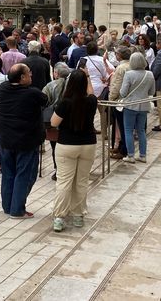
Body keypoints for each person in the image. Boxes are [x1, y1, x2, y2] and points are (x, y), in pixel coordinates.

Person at [49, 64, 97, 232]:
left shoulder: (65, 102)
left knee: (64, 182)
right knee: (82, 181)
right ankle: (78, 215)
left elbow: (54, 123)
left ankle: (59, 217)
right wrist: (88, 77)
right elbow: (91, 93)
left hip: (67, 144)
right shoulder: (91, 101)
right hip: (88, 144)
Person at [0, 64, 48, 218]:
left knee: (8, 173)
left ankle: (8, 206)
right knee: (24, 174)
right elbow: (45, 99)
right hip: (26, 141)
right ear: (22, 78)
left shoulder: (4, 88)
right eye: (29, 73)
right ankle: (17, 209)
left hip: (6, 139)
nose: (31, 75)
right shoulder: (32, 93)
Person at [119, 52, 155, 163]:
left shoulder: (129, 74)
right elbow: (152, 91)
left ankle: (130, 155)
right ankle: (142, 155)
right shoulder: (149, 74)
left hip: (130, 105)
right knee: (141, 131)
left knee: (128, 130)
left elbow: (123, 93)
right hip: (144, 105)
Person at [42, 62, 70, 180]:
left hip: (53, 120)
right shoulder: (71, 85)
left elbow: (43, 101)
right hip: (68, 121)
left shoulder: (50, 86)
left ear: (56, 73)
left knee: (55, 146)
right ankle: (66, 169)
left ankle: (57, 170)